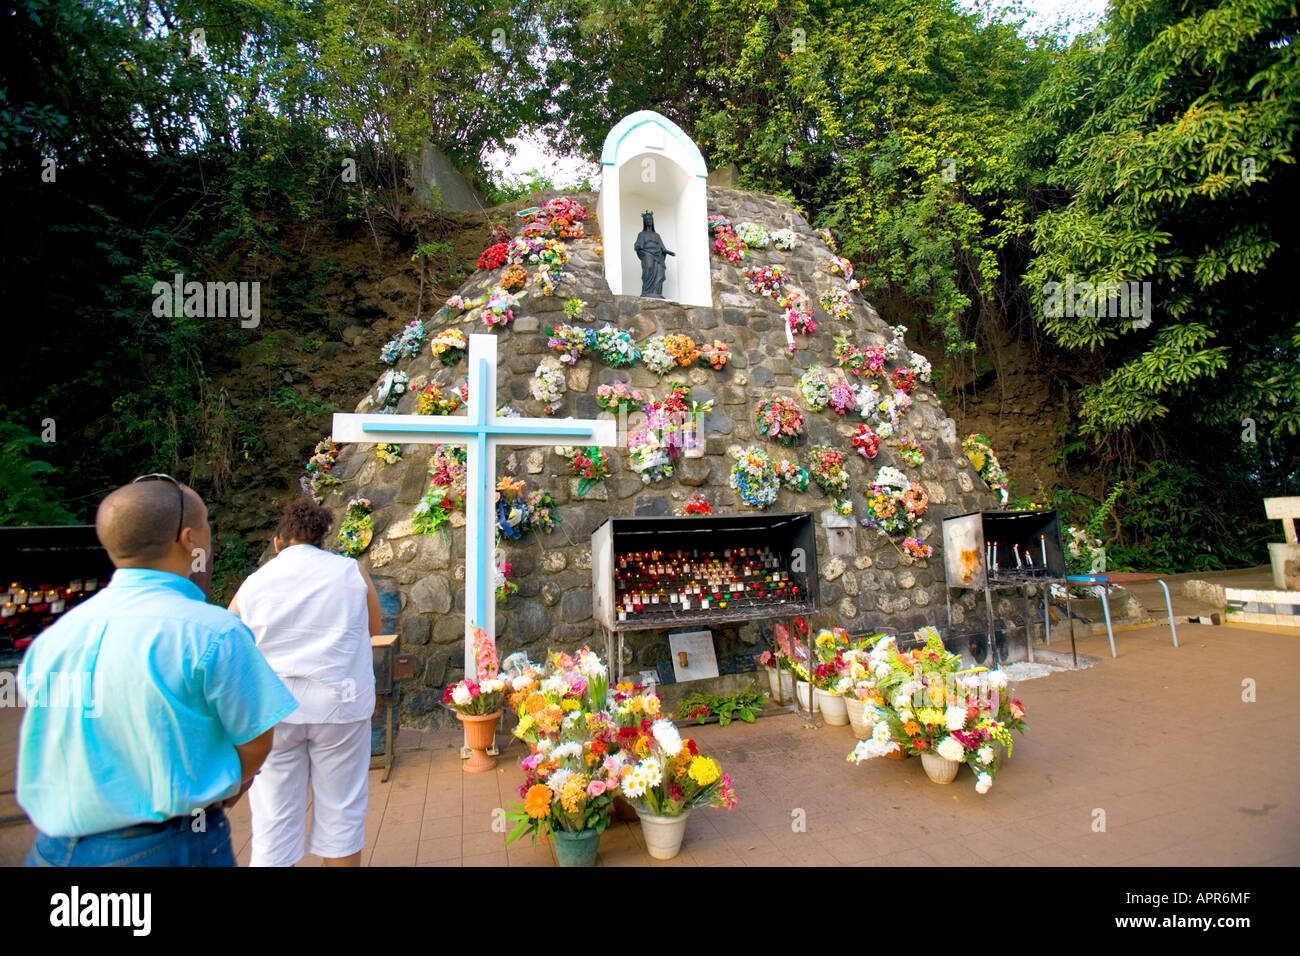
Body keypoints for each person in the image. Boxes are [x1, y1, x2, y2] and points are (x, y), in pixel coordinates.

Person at [16, 475, 298, 866]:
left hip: (53, 849)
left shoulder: (54, 638)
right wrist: (218, 791)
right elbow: (256, 741)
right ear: (189, 540)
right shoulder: (213, 633)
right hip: (166, 847)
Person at [229, 497, 380, 867]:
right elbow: (374, 627)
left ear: (279, 542)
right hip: (339, 706)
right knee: (341, 811)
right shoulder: (350, 572)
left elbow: (231, 638)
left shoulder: (255, 582)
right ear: (322, 540)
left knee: (273, 820)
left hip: (275, 710)